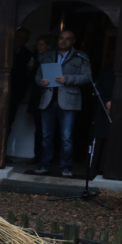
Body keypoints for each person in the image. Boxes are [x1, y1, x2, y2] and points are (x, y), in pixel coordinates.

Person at [34, 30, 92, 178]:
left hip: (68, 100)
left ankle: (66, 167)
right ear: (57, 39)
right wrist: (40, 81)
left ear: (73, 41)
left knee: (66, 137)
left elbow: (87, 77)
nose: (64, 41)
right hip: (48, 99)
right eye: (61, 38)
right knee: (46, 136)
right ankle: (45, 165)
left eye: (68, 39)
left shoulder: (80, 56)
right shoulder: (48, 55)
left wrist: (68, 79)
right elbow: (38, 74)